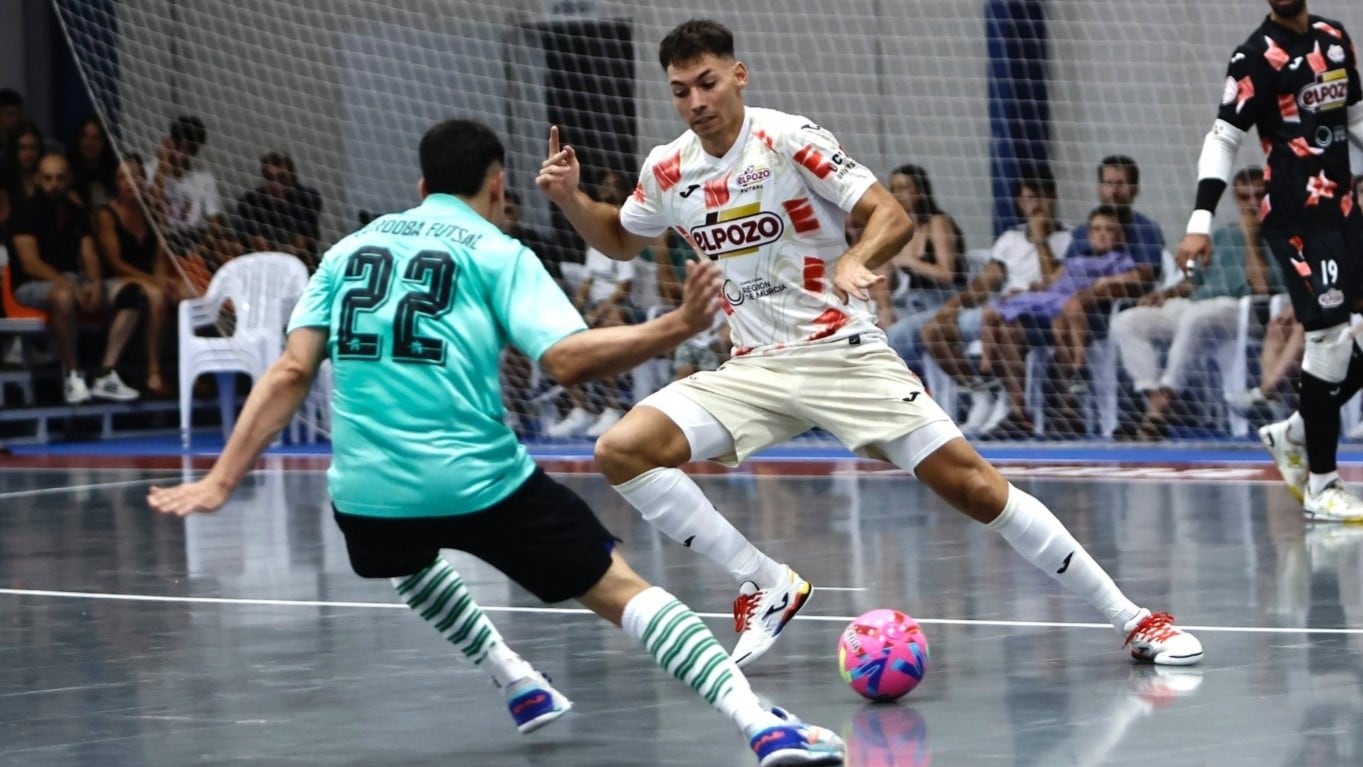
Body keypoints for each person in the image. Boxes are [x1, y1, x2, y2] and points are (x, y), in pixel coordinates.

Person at [146, 119, 846, 766]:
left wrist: (219, 479)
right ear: (498, 184)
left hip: (365, 494)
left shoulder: (346, 249)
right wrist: (675, 325)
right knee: (623, 591)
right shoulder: (497, 250)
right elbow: (567, 360)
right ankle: (760, 722)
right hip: (479, 483)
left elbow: (291, 369)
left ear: (420, 188)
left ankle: (515, 677)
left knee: (406, 553)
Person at [538, 18, 1202, 670]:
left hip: (839, 351)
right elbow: (621, 237)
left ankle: (1134, 618)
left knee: (972, 487)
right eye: (680, 90)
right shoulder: (667, 168)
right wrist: (570, 199)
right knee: (621, 449)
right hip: (751, 366)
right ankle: (765, 581)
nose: (695, 101)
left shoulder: (788, 138)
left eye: (706, 83)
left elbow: (890, 213)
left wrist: (856, 258)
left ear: (736, 75)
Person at [1176, 0, 1363, 521]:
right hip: (1298, 217)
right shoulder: (1255, 56)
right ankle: (1324, 484)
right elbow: (1224, 139)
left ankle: (1295, 432)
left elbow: (1355, 117)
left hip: (1345, 209)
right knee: (1327, 338)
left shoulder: (1334, 36)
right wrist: (1199, 223)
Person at [1113, 167, 1280, 440]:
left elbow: (1263, 288)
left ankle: (1159, 411)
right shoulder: (1223, 235)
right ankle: (1155, 400)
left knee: (1198, 316)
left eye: (1259, 196)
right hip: (1199, 303)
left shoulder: (1283, 235)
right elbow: (1195, 281)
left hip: (1244, 310)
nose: (1252, 203)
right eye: (1245, 197)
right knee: (1128, 321)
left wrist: (1251, 238)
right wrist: (1166, 294)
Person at [920, 172, 1070, 434]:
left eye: (1038, 198)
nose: (1033, 206)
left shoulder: (1070, 238)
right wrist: (952, 307)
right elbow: (986, 283)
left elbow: (1054, 282)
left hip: (1042, 313)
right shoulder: (1010, 239)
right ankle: (981, 391)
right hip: (999, 309)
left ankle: (1014, 409)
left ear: (1052, 198)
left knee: (1007, 327)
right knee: (933, 331)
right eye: (1026, 200)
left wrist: (1040, 240)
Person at [977, 207, 1143, 438]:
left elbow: (1134, 279)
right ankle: (1018, 413)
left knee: (1063, 321)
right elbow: (1050, 281)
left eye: (1109, 230)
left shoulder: (1118, 260)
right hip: (1051, 304)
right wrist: (1030, 289)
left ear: (1120, 235)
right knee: (1008, 328)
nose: (1102, 234)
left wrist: (1105, 284)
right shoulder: (1076, 259)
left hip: (1091, 315)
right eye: (1096, 229)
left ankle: (1069, 404)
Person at [9, 153, 146, 403]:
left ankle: (106, 373)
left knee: (132, 293)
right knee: (63, 296)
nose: (54, 184)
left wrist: (94, 283)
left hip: (75, 280)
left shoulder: (76, 211)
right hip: (30, 286)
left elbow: (89, 252)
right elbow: (31, 263)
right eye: (48, 178)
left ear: (69, 179)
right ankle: (73, 376)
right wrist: (70, 285)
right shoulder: (24, 211)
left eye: (60, 178)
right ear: (38, 179)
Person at [94, 155, 177, 396]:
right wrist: (154, 281)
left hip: (148, 276)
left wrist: (162, 279)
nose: (129, 182)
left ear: (144, 180)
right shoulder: (106, 214)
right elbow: (114, 262)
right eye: (123, 177)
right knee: (155, 294)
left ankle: (195, 370)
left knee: (187, 293)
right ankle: (154, 371)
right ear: (116, 182)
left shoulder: (154, 212)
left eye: (135, 176)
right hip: (117, 278)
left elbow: (158, 259)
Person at [235, 151, 322, 266]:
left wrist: (286, 250)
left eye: (282, 178)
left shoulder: (307, 198)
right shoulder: (250, 201)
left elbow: (301, 243)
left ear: (292, 178)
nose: (276, 184)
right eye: (270, 178)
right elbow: (259, 244)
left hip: (300, 263)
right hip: (263, 263)